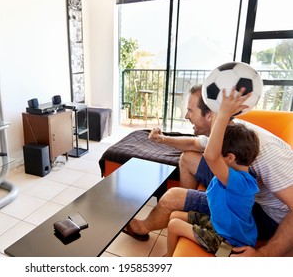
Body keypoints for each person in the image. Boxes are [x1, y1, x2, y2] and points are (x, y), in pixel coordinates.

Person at [123, 84, 293, 257]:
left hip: (267, 217)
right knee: (187, 158)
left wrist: (262, 255)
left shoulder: (267, 154)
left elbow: (211, 155)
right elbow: (195, 144)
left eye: (190, 110)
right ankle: (148, 227)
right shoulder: (233, 133)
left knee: (173, 205)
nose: (186, 116)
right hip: (239, 202)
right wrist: (163, 139)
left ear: (211, 115)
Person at [165, 88, 260, 256]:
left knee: (174, 225)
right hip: (219, 225)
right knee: (175, 216)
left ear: (230, 158)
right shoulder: (238, 175)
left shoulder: (238, 182)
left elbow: (210, 155)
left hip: (228, 241)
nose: (213, 154)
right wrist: (217, 109)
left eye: (219, 153)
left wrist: (223, 114)